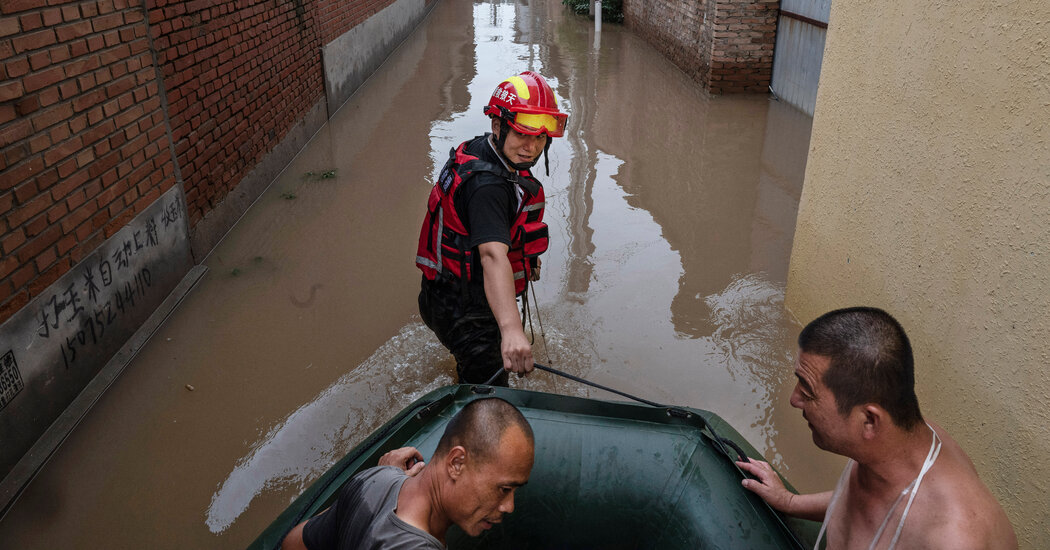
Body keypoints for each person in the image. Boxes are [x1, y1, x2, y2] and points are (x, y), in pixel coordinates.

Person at [736, 307, 1017, 549]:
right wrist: (789, 502)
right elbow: (864, 502)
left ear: (869, 421)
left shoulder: (954, 537)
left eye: (807, 390)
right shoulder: (892, 443)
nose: (794, 399)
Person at [415, 71, 568, 386]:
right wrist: (511, 329)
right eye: (522, 135)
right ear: (498, 126)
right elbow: (491, 255)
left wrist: (526, 259)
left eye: (540, 137)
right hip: (464, 310)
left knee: (473, 373)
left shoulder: (483, 150)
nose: (531, 147)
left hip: (440, 294)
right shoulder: (488, 187)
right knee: (489, 403)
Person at [281, 397, 534, 550]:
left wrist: (385, 474)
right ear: (456, 463)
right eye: (504, 489)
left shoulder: (371, 480)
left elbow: (294, 543)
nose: (509, 506)